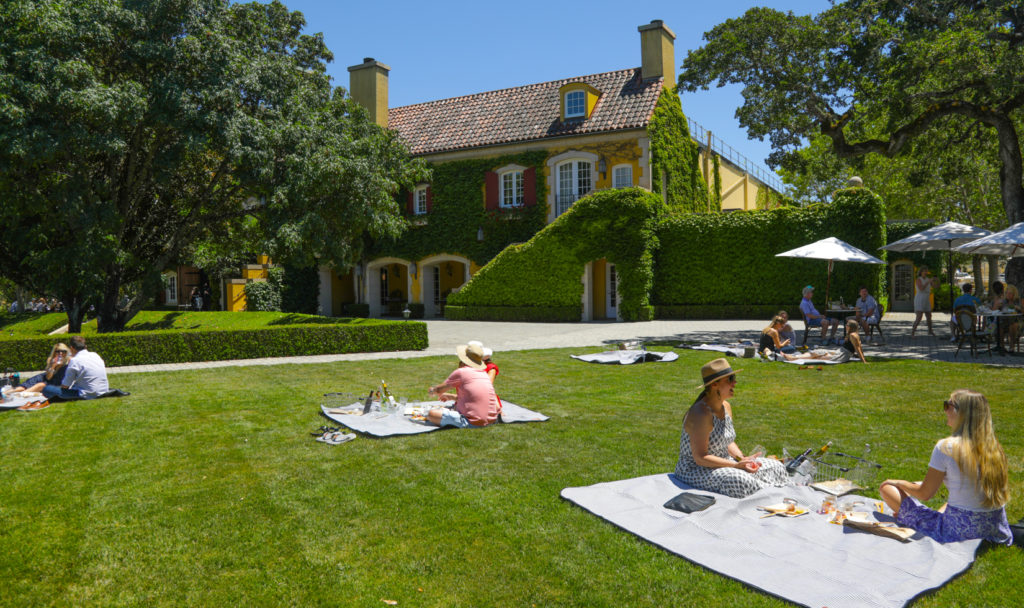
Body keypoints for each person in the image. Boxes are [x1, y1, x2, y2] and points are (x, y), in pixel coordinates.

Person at [879, 389, 1011, 546]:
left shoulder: (946, 447)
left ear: (961, 413)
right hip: (995, 529)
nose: (946, 410)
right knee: (940, 498)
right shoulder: (994, 448)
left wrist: (899, 483)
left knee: (887, 488)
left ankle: (909, 513)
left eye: (948, 405)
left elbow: (925, 494)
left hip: (956, 531)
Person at [674, 358, 790, 498]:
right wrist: (734, 465)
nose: (735, 383)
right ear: (715, 384)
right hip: (696, 469)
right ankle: (766, 499)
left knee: (775, 466)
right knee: (741, 481)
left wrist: (742, 459)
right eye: (730, 379)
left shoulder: (726, 406)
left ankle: (773, 497)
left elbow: (727, 441)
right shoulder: (701, 413)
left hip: (724, 461)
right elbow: (700, 458)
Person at [426, 343, 500, 428]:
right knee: (452, 408)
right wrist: (451, 396)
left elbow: (439, 390)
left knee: (431, 414)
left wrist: (432, 390)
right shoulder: (484, 374)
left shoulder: (461, 372)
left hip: (472, 422)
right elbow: (473, 398)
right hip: (492, 420)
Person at [42, 335, 109, 401]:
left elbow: (65, 386)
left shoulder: (75, 361)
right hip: (103, 391)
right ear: (85, 346)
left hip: (86, 394)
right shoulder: (95, 355)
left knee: (46, 389)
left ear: (71, 348)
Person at [911, 266, 939, 337]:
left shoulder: (928, 279)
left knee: (929, 316)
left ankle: (930, 331)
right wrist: (928, 282)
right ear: (921, 272)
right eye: (924, 271)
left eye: (926, 271)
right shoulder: (918, 280)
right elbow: (921, 289)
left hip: (926, 298)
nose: (926, 272)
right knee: (919, 317)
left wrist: (937, 280)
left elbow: (936, 287)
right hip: (920, 298)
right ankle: (913, 332)